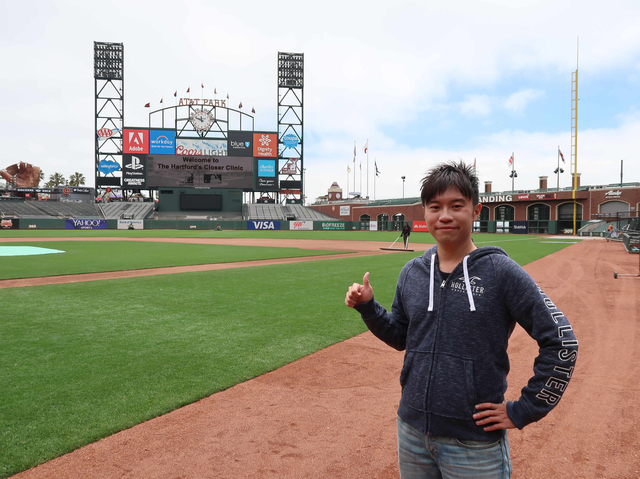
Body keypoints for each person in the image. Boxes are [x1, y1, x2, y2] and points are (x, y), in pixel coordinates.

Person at [345, 161, 578, 478]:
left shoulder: (500, 271)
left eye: (456, 205)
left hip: (473, 444)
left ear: (476, 210)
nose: (444, 215)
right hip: (412, 431)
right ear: (424, 213)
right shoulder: (412, 272)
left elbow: (562, 339)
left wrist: (525, 408)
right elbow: (401, 337)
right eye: (435, 206)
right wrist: (369, 307)